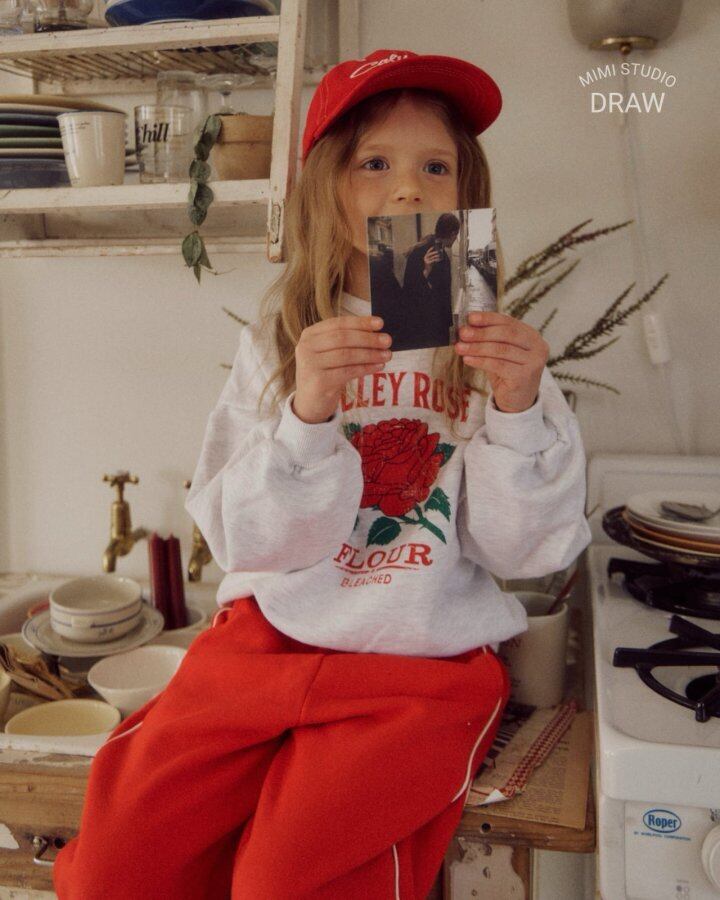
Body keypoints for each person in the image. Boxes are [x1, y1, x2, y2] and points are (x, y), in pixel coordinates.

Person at [52, 48, 592, 900]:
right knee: (116, 866)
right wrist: (306, 415)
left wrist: (519, 409)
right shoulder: (277, 343)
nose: (408, 190)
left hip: (417, 666)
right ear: (323, 189)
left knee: (288, 883)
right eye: (375, 163)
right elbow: (247, 542)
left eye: (436, 167)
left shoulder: (492, 353)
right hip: (266, 642)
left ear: (467, 192)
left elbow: (525, 552)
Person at [401, 213, 459, 348]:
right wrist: (426, 270)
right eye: (456, 235)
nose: (456, 238)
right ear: (453, 233)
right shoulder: (423, 253)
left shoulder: (439, 252)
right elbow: (410, 290)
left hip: (434, 323)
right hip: (427, 327)